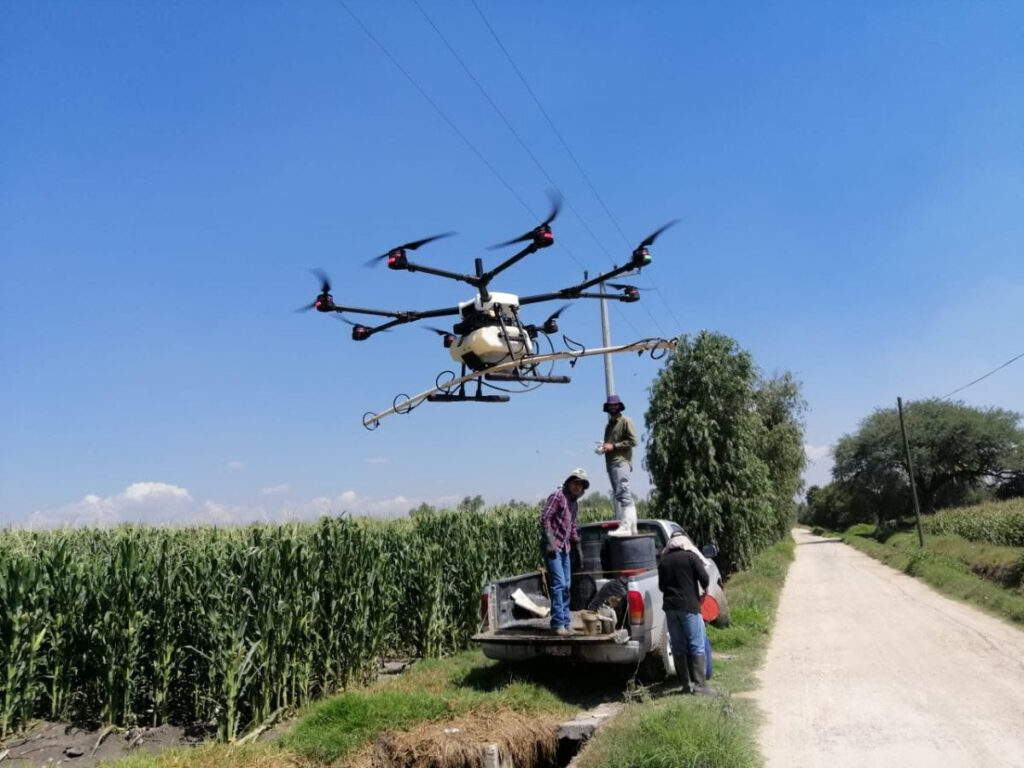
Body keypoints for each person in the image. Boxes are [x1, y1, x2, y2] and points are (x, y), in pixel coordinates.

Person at [657, 530, 716, 695]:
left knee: (678, 646)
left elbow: (661, 586)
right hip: (689, 606)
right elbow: (705, 579)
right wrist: (703, 589)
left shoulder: (664, 561)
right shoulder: (691, 557)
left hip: (670, 608)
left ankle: (685, 685)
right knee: (696, 644)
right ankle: (700, 686)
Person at [540, 468, 587, 636]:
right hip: (553, 547)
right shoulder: (558, 496)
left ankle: (566, 623)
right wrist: (549, 541)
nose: (577, 486)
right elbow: (545, 518)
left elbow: (573, 526)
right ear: (569, 482)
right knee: (559, 584)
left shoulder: (574, 503)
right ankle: (558, 623)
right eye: (575, 482)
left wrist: (578, 547)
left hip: (565, 548)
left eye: (581, 485)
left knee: (567, 585)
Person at [598, 395, 639, 536]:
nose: (613, 407)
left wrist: (614, 446)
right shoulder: (609, 426)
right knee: (622, 494)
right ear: (607, 408)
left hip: (621, 462)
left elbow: (633, 441)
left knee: (623, 493)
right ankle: (632, 527)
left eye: (615, 405)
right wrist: (603, 447)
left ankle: (626, 526)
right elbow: (609, 445)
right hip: (611, 464)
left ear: (620, 406)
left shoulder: (625, 421)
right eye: (610, 405)